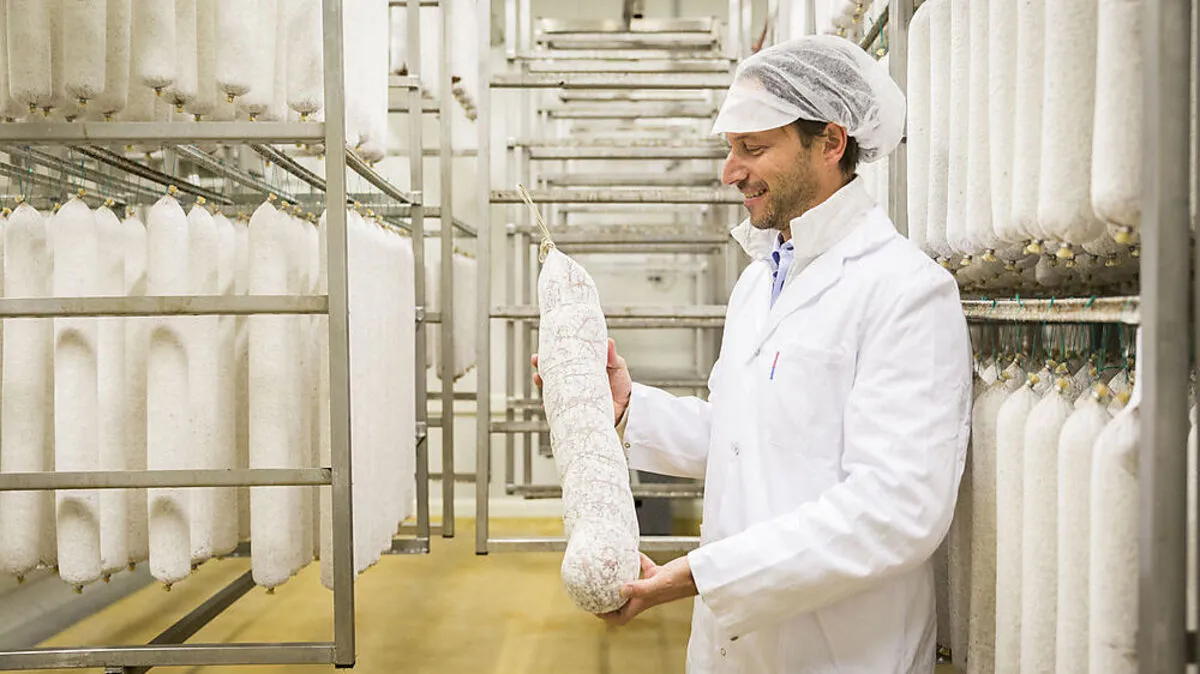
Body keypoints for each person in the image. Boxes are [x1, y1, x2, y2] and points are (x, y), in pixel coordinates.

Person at [534, 35, 972, 673]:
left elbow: (897, 511)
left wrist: (701, 575)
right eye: (731, 148)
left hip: (838, 653)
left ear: (831, 141)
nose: (730, 171)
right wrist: (628, 409)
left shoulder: (907, 291)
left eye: (753, 148)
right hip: (732, 652)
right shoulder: (759, 282)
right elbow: (745, 439)